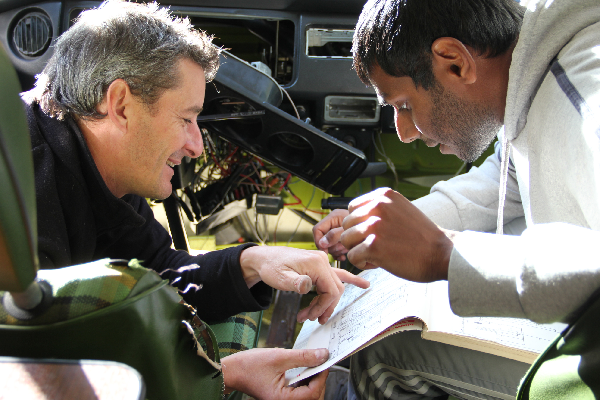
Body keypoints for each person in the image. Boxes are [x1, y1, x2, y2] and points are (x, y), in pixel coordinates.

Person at [21, 1, 369, 398]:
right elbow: (33, 376)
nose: (196, 146)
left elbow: (163, 274)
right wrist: (224, 375)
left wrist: (254, 262)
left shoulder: (104, 173)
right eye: (185, 119)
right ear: (120, 105)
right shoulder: (19, 190)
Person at [313, 0, 600, 398]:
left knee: (386, 357)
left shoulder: (586, 104)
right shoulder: (533, 72)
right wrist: (392, 228)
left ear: (454, 63)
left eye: (404, 106)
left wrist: (446, 255)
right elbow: (511, 173)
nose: (404, 133)